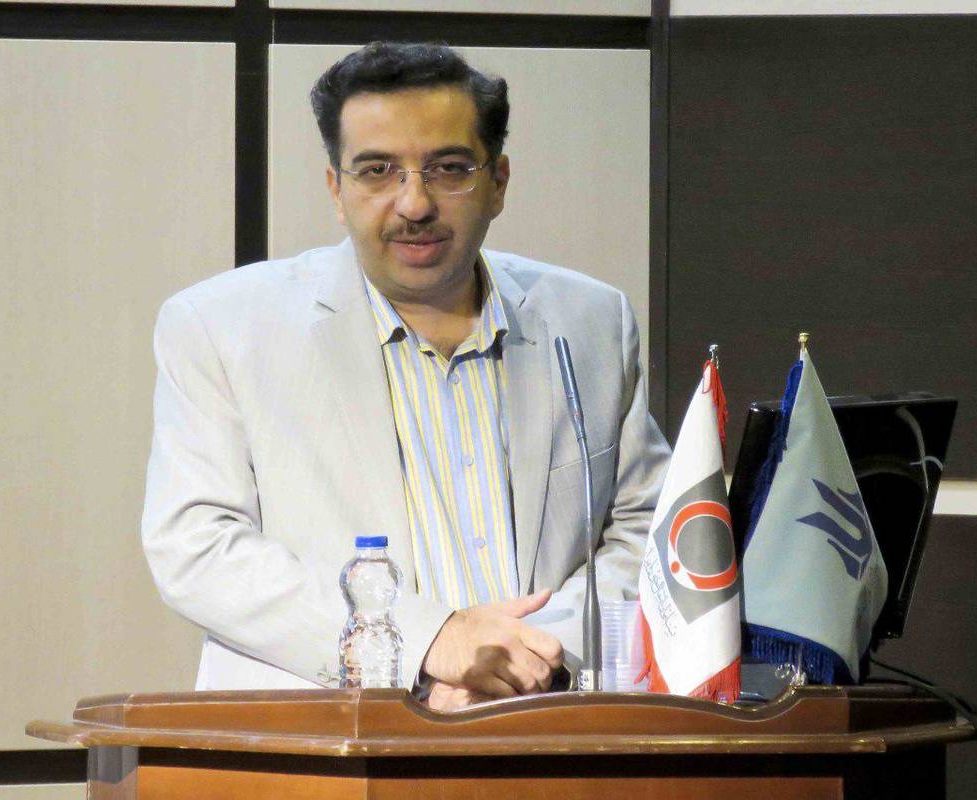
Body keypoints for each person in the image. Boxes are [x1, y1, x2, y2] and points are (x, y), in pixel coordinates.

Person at [141, 41, 670, 711]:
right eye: (377, 171)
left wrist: (526, 656)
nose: (414, 203)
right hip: (326, 740)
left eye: (449, 169)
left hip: (545, 725)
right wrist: (430, 640)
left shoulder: (591, 321)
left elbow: (646, 528)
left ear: (498, 182)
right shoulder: (220, 326)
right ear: (336, 189)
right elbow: (197, 547)